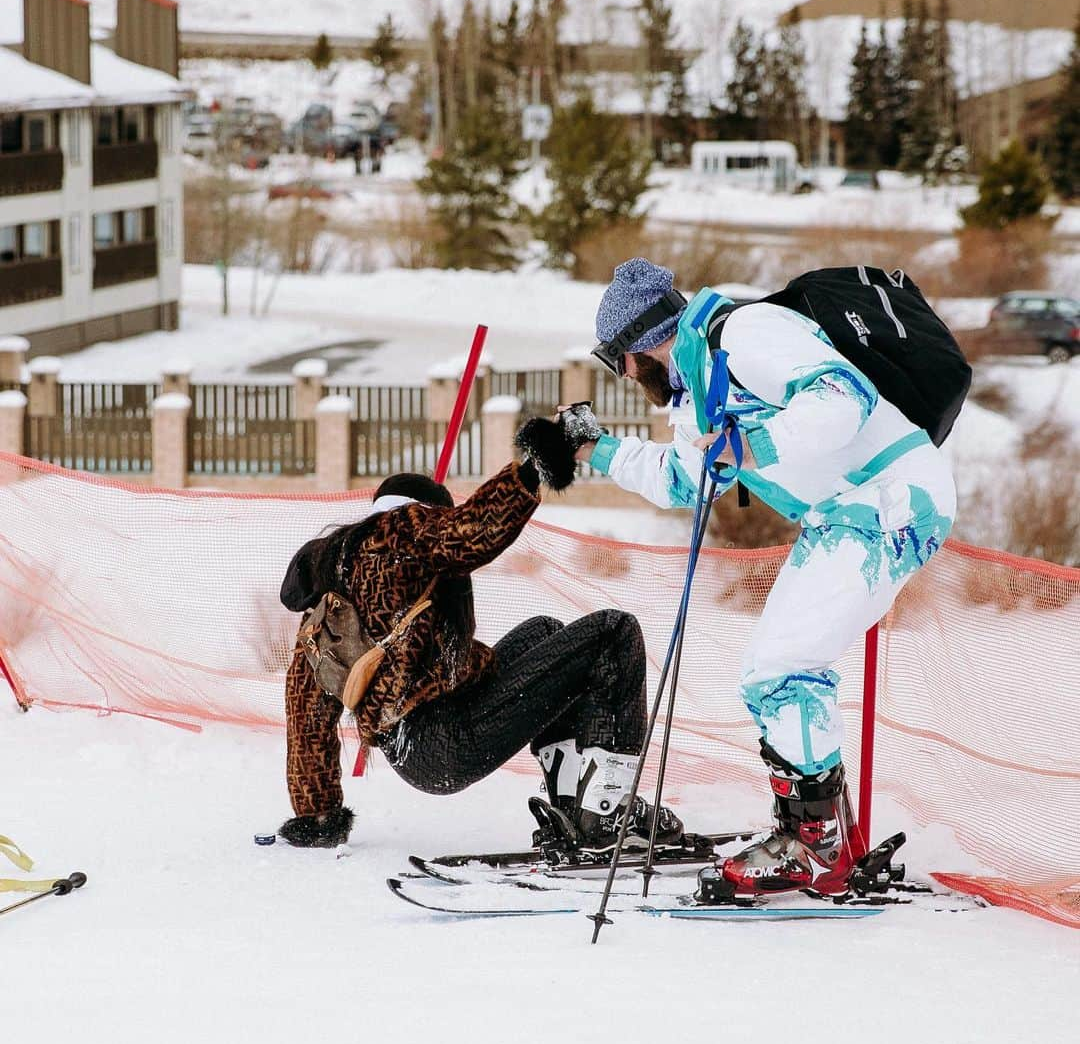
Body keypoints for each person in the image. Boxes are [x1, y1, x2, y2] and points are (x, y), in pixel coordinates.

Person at [561, 257, 956, 902]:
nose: (626, 376)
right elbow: (686, 480)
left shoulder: (747, 333)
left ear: (639, 344)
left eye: (617, 361)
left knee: (785, 667)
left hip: (890, 500)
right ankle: (817, 832)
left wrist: (750, 448)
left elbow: (840, 399)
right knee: (766, 674)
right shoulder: (698, 392)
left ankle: (814, 845)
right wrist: (594, 448)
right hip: (841, 517)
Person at [278, 456, 683, 852]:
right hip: (444, 741)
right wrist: (537, 463)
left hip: (414, 753)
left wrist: (318, 815)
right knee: (614, 632)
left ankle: (574, 803)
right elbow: (477, 529)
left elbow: (305, 710)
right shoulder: (402, 533)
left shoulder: (332, 580)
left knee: (543, 633)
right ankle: (609, 809)